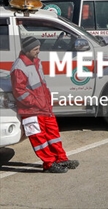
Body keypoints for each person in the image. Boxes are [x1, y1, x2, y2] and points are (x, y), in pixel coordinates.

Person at [11, 36, 78, 173]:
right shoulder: (19, 67)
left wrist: (46, 101)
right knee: (39, 139)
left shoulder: (35, 62)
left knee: (53, 134)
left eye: (39, 48)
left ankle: (61, 159)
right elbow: (19, 92)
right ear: (27, 50)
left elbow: (41, 85)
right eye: (35, 49)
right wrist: (37, 102)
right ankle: (49, 164)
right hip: (32, 110)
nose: (38, 51)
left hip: (43, 107)